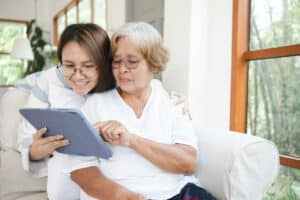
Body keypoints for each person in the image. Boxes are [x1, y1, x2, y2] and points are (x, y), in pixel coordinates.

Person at [17, 23, 190, 199]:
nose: (78, 76)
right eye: (69, 65)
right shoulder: (48, 82)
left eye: (88, 66)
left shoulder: (117, 82)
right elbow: (26, 140)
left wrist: (172, 99)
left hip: (107, 184)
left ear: (103, 62)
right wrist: (35, 151)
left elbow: (142, 82)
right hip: (64, 184)